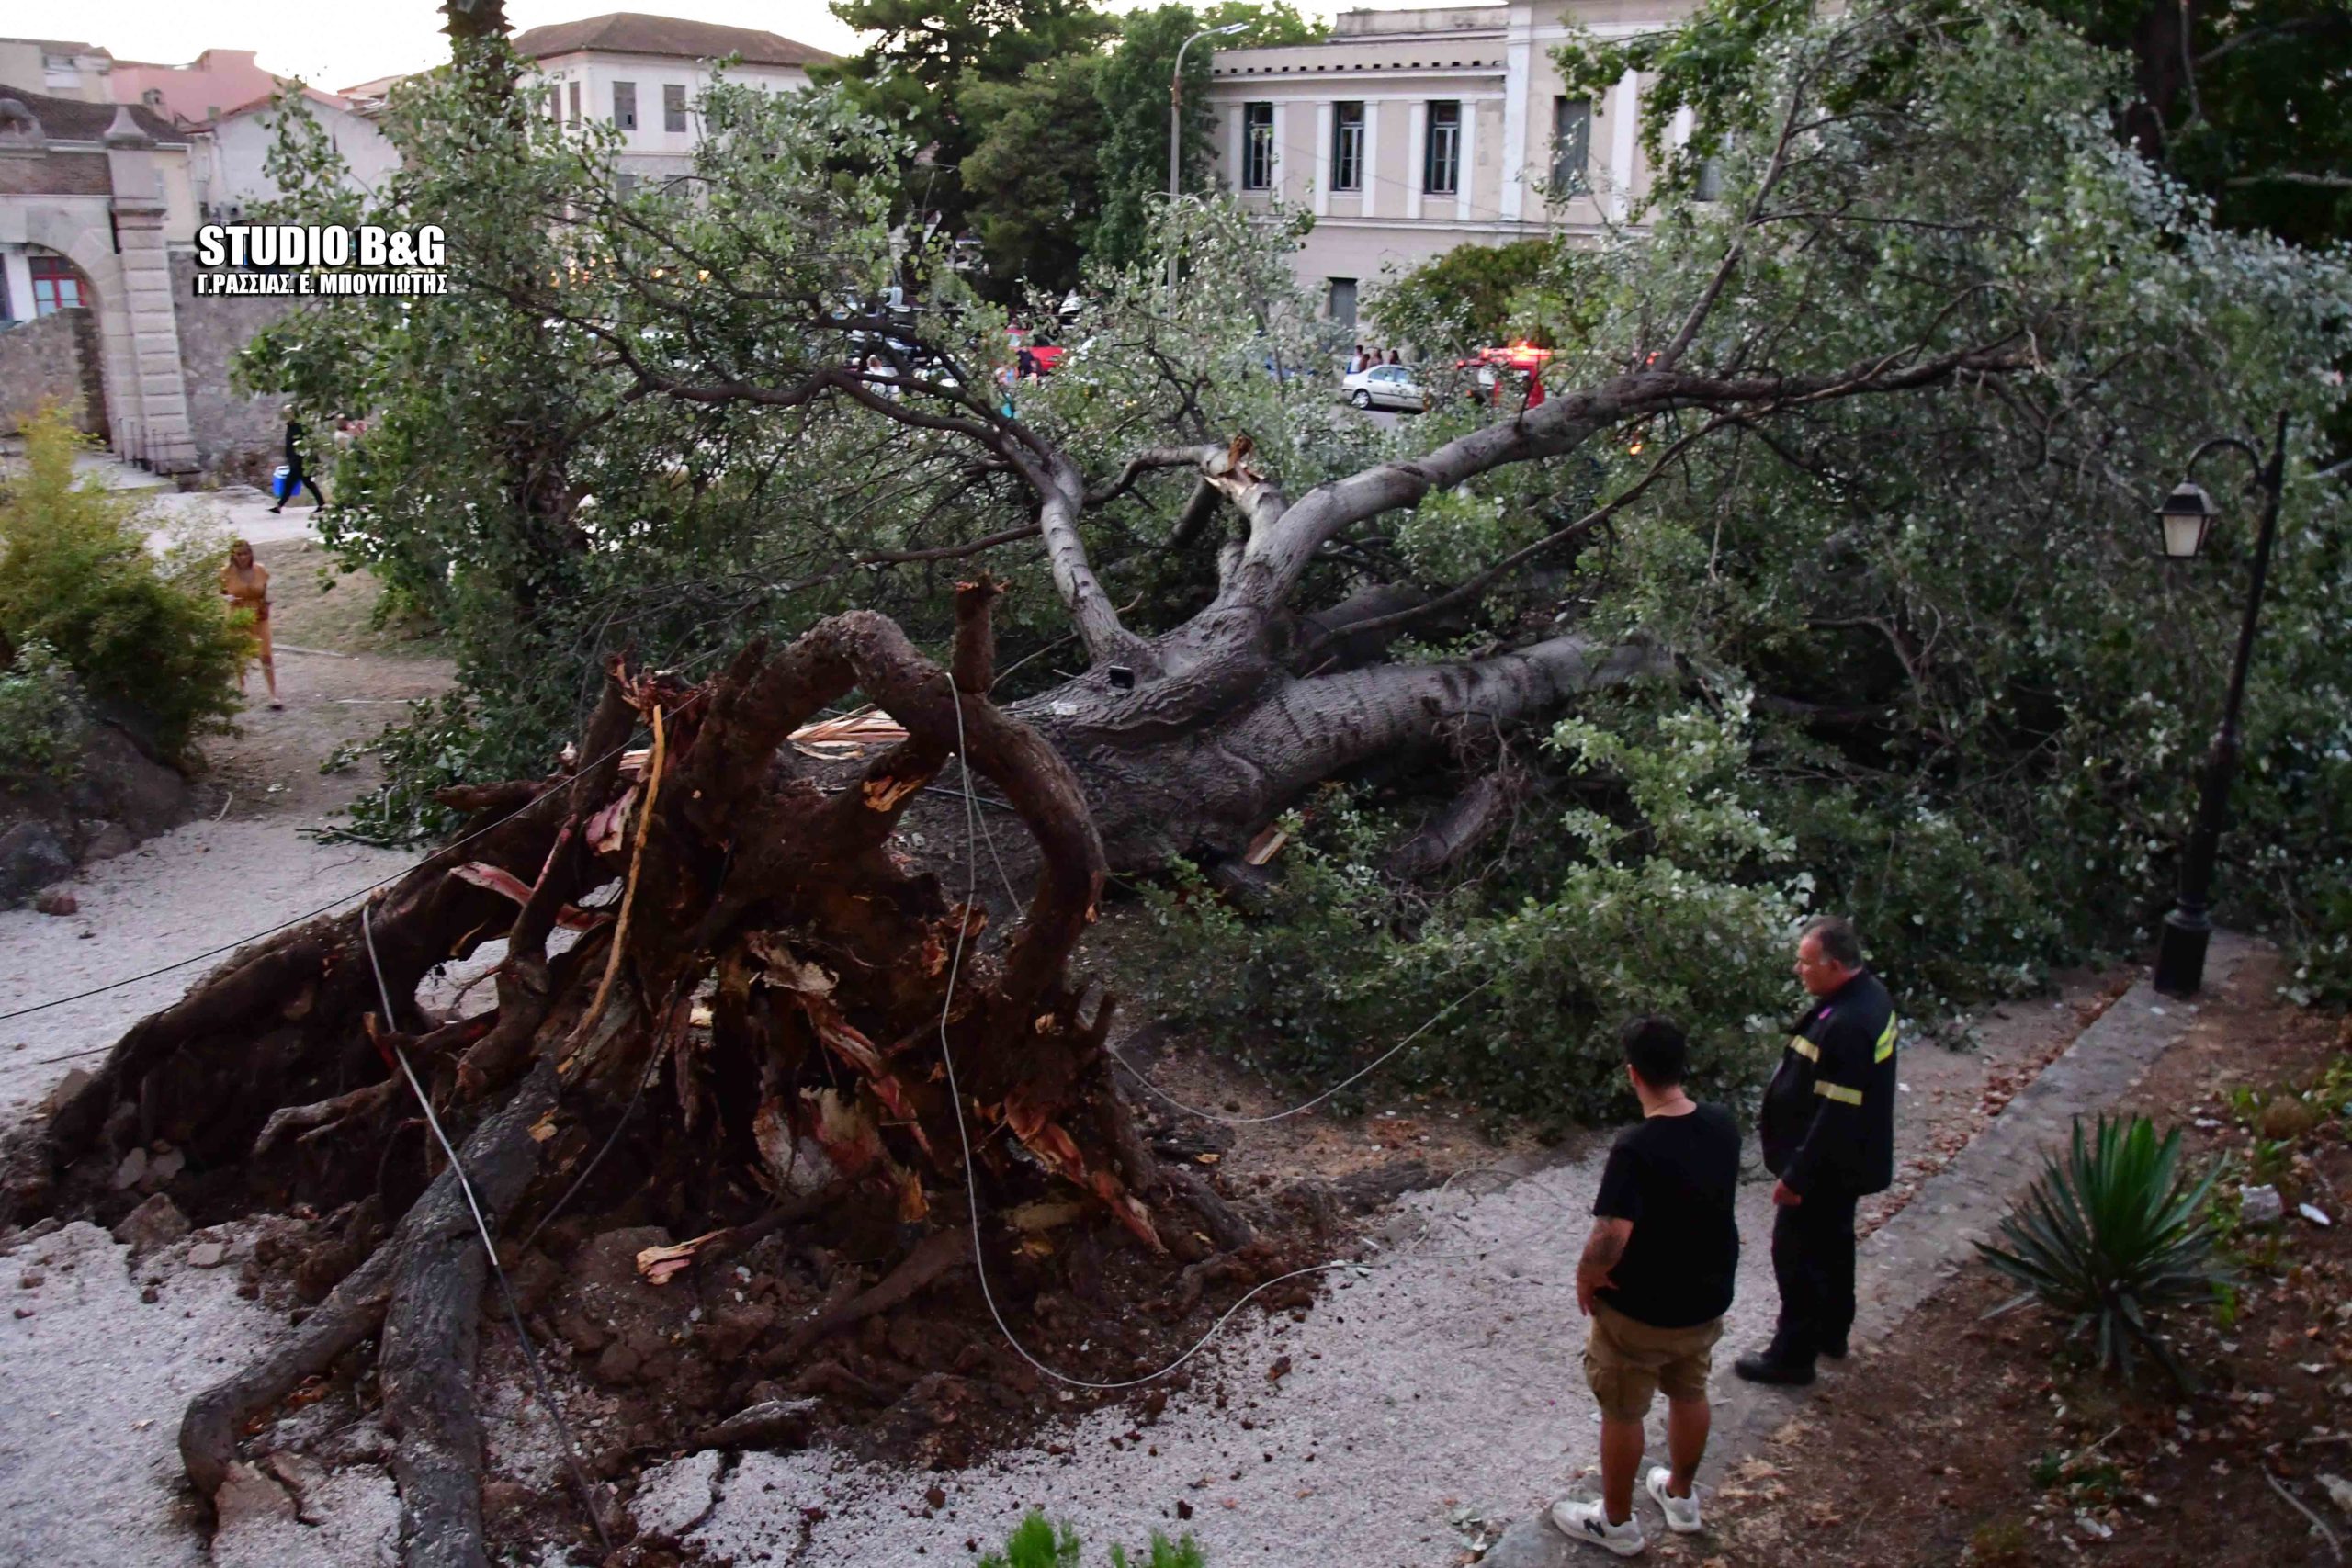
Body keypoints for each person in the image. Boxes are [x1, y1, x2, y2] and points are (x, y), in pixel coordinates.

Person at [1553, 1016, 1741, 1557]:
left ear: (1632, 1073)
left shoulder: (1636, 1147)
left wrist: (1587, 1276)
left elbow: (1611, 1235)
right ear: (1683, 1066)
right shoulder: (1723, 1123)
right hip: (1704, 1299)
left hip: (1642, 1310)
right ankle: (1680, 1497)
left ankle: (1615, 1524)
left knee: (1623, 1411)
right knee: (1690, 1390)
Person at [1735, 915, 1898, 1386]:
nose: (1798, 970)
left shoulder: (1848, 1024)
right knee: (1833, 1246)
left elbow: (1835, 1115)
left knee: (1798, 1255)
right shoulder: (1868, 996)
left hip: (1827, 1166)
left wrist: (1797, 1176)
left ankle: (1792, 1355)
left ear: (1833, 965)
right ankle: (1831, 1331)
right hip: (1848, 1161)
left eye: (1805, 963)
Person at [219, 538, 281, 709]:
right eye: (238, 554)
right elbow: (222, 592)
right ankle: (241, 686)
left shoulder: (260, 570)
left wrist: (267, 603)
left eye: (245, 554)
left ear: (251, 554)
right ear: (233, 555)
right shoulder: (226, 572)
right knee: (239, 652)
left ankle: (273, 695)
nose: (242, 558)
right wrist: (228, 598)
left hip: (258, 614)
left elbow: (266, 591)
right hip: (237, 614)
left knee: (266, 654)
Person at [268, 417, 326, 514]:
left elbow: (307, 444)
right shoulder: (290, 428)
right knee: (308, 484)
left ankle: (279, 506)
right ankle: (322, 504)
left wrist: (313, 461)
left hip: (300, 461)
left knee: (290, 483)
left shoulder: (298, 428)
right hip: (295, 461)